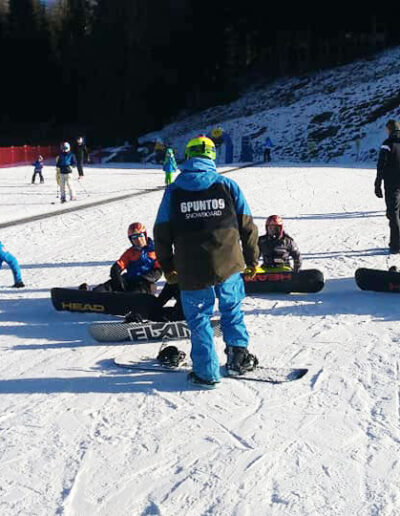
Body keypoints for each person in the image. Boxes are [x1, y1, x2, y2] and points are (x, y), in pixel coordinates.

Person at [154, 135, 259, 388]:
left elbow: (161, 232)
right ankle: (239, 358)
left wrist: (168, 267)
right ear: (212, 156)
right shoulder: (227, 185)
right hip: (229, 263)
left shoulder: (174, 191)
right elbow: (248, 226)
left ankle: (206, 371)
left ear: (188, 157)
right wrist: (252, 258)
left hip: (192, 269)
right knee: (231, 310)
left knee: (199, 318)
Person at [80, 222, 162, 294]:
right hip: (129, 279)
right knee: (106, 287)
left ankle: (129, 301)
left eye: (140, 236)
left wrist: (145, 278)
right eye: (134, 237)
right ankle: (90, 295)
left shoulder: (155, 251)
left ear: (145, 235)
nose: (138, 240)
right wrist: (117, 276)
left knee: (135, 293)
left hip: (145, 283)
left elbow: (158, 271)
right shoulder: (130, 252)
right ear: (131, 240)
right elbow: (118, 265)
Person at [374, 119, 400, 253]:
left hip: (392, 184)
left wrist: (377, 182)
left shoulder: (387, 144)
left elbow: (381, 164)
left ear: (389, 129)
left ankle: (396, 245)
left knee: (393, 213)